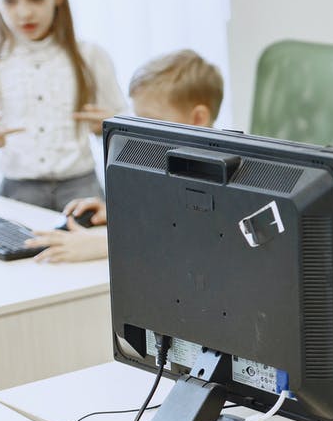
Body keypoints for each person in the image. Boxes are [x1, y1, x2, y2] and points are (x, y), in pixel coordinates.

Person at [24, 49, 224, 263]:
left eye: (150, 120)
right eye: (138, 118)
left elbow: (194, 238)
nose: (141, 129)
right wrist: (116, 213)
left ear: (198, 118)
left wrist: (105, 244)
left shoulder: (218, 173)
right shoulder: (167, 161)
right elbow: (162, 217)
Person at [0, 0, 126, 211]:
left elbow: (128, 136)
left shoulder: (90, 56)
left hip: (82, 190)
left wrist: (109, 127)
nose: (25, 12)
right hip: (18, 192)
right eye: (9, 0)